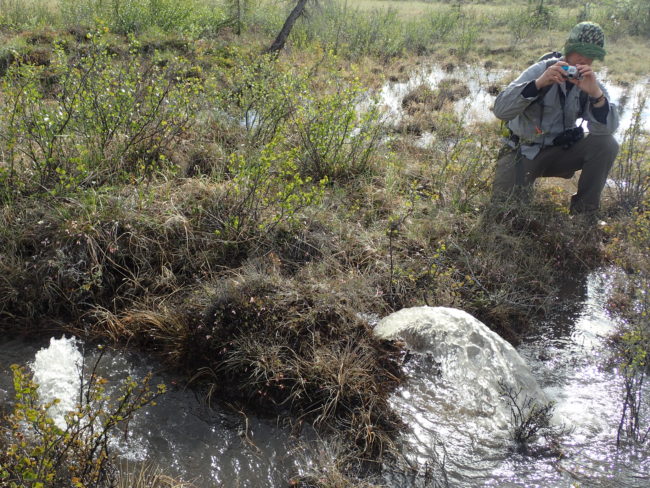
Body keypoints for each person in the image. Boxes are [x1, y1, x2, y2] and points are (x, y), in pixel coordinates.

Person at [491, 22, 619, 217]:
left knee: (607, 144)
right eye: (579, 52)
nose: (584, 59)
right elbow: (501, 110)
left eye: (591, 55)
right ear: (569, 48)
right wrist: (538, 84)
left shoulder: (590, 83)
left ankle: (584, 214)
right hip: (523, 151)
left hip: (560, 152)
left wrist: (596, 95)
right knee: (503, 213)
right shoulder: (540, 70)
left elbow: (606, 130)